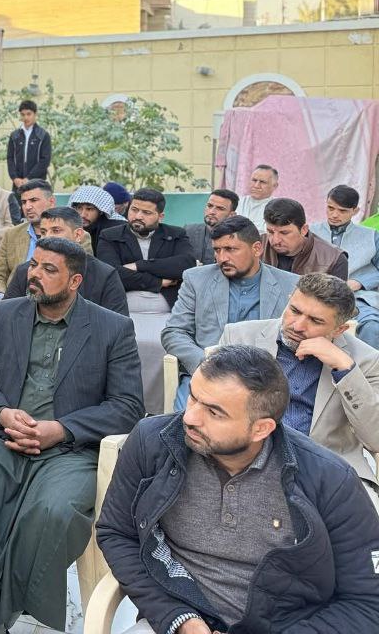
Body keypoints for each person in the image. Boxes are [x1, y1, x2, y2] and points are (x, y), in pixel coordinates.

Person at [95, 345, 379, 634]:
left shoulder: (329, 479)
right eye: (193, 397)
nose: (190, 417)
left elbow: (368, 602)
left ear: (261, 429)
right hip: (179, 614)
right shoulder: (153, 442)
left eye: (214, 412)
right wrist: (177, 618)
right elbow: (117, 533)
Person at [0, 237, 143, 634]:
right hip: (4, 439)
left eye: (48, 269)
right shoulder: (7, 314)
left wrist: (61, 429)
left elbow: (128, 407)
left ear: (75, 281)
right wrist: (3, 413)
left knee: (51, 512)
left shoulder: (112, 328)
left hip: (71, 451)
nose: (35, 275)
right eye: (34, 265)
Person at [221, 273, 379, 502]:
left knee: (369, 520)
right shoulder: (240, 337)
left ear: (339, 330)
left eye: (315, 321)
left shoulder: (366, 360)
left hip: (328, 468)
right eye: (294, 310)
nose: (297, 326)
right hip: (246, 460)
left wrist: (345, 369)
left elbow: (375, 438)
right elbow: (210, 405)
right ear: (289, 300)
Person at [161, 215, 299, 413]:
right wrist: (204, 363)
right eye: (217, 250)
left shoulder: (290, 284)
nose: (222, 258)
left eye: (231, 249)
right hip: (206, 375)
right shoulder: (196, 279)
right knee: (189, 422)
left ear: (257, 248)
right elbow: (174, 332)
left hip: (263, 382)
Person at [3, 207, 128, 314]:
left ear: (78, 235)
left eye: (56, 231)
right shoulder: (25, 271)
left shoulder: (104, 275)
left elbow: (117, 326)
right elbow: (5, 316)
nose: (47, 237)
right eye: (43, 232)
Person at [96, 187, 196, 313]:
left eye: (146, 212)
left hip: (170, 312)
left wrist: (139, 265)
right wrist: (158, 282)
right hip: (121, 312)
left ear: (160, 217)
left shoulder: (175, 234)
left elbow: (186, 264)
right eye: (134, 210)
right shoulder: (110, 236)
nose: (138, 216)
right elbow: (110, 273)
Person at [311, 183, 379, 346]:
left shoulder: (372, 236)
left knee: (371, 327)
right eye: (330, 208)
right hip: (314, 295)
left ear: (355, 211)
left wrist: (361, 282)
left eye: (342, 211)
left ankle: (369, 364)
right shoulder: (310, 232)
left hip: (356, 298)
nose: (334, 215)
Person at [0, 180, 58, 298]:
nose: (27, 207)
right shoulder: (12, 235)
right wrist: (1, 298)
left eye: (34, 200)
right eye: (24, 202)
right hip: (14, 300)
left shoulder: (71, 234)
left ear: (51, 202)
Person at [263, 196, 349, 279]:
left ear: (304, 230)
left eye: (284, 233)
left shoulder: (334, 259)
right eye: (270, 232)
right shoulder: (257, 245)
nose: (276, 240)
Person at [184, 188, 239, 265]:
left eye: (220, 208)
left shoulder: (239, 238)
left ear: (232, 215)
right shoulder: (188, 231)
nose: (211, 212)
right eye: (209, 206)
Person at [6, 99, 52, 190]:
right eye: (23, 114)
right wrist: (15, 178)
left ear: (35, 114)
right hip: (18, 184)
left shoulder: (43, 135)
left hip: (37, 183)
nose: (26, 117)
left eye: (28, 114)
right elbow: (10, 158)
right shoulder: (14, 136)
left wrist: (29, 178)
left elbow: (45, 160)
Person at [68, 183, 125, 256]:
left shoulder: (115, 229)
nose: (82, 215)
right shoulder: (72, 226)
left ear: (101, 211)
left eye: (89, 209)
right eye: (79, 208)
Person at [236, 163, 280, 233]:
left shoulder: (279, 208)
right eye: (254, 180)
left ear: (274, 186)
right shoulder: (237, 202)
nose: (256, 185)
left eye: (262, 182)